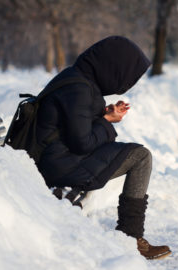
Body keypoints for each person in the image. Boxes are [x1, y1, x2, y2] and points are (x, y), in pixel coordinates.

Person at [35, 36, 171, 260]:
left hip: (60, 157)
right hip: (61, 165)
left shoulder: (79, 80)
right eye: (125, 74)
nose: (125, 82)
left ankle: (131, 235)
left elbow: (75, 126)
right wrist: (106, 121)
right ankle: (131, 237)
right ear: (112, 66)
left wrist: (103, 115)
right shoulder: (78, 88)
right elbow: (82, 142)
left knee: (136, 155)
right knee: (140, 156)